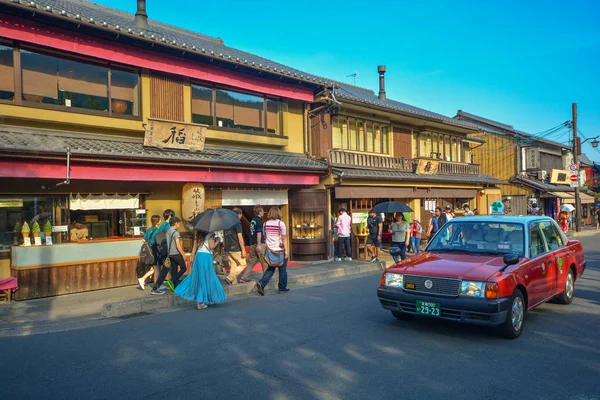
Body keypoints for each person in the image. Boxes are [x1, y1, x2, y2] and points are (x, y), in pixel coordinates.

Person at [174, 230, 226, 309]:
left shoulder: (199, 234)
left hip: (199, 255)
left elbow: (195, 246)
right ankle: (202, 301)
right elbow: (211, 246)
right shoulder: (210, 234)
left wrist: (192, 257)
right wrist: (218, 240)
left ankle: (202, 300)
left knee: (199, 277)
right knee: (208, 277)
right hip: (206, 257)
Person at [256, 206, 289, 295]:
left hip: (270, 250)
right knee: (282, 269)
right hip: (279, 250)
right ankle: (282, 288)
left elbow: (264, 236)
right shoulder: (281, 224)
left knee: (271, 268)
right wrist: (286, 251)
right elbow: (284, 238)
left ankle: (261, 283)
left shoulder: (265, 224)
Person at [149, 209, 175, 295]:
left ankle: (158, 284)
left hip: (159, 248)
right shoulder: (168, 225)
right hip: (165, 248)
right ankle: (166, 284)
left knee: (162, 267)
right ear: (170, 216)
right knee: (167, 267)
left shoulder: (162, 225)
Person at [239, 206, 267, 283]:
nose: (263, 212)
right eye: (262, 211)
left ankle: (244, 277)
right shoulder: (259, 221)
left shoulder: (252, 220)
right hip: (259, 243)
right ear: (260, 212)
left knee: (251, 262)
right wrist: (259, 244)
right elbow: (259, 233)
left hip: (252, 243)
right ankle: (265, 278)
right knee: (264, 261)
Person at [138, 214, 161, 290]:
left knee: (153, 268)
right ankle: (143, 279)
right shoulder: (157, 230)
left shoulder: (149, 229)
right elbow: (158, 241)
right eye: (159, 220)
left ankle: (156, 284)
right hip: (154, 250)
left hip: (149, 251)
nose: (161, 221)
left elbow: (143, 240)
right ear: (157, 222)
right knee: (155, 268)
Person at [223, 207, 246, 285]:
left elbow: (224, 237)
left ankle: (234, 283)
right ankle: (230, 277)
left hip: (228, 248)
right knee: (243, 264)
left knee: (234, 264)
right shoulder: (237, 223)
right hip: (235, 247)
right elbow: (240, 237)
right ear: (239, 214)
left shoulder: (226, 224)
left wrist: (225, 248)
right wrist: (243, 249)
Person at [164, 216, 187, 291]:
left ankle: (174, 287)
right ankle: (172, 280)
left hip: (170, 253)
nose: (179, 225)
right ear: (176, 223)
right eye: (179, 223)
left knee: (174, 269)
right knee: (183, 268)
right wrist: (183, 254)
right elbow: (178, 245)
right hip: (176, 253)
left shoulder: (168, 231)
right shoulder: (176, 233)